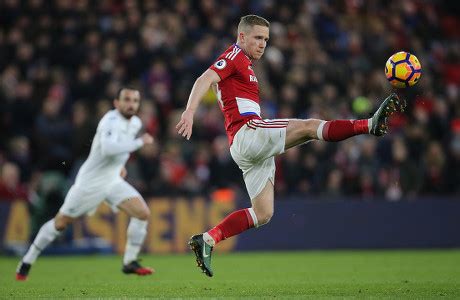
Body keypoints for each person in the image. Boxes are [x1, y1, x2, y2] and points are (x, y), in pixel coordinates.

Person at [176, 15, 405, 277]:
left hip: (244, 147)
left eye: (266, 39)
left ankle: (207, 239)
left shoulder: (246, 64)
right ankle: (369, 125)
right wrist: (189, 111)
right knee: (310, 127)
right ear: (242, 37)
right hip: (248, 132)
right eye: (258, 38)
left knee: (263, 213)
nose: (263, 44)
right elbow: (204, 78)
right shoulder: (235, 55)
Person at [16, 88, 155, 280]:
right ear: (116, 103)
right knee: (61, 223)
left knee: (142, 213)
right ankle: (27, 260)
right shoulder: (110, 121)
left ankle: (129, 262)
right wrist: (139, 143)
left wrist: (121, 166)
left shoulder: (135, 123)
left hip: (113, 180)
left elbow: (120, 149)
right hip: (90, 183)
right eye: (127, 100)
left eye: (135, 101)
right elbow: (108, 149)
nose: (131, 104)